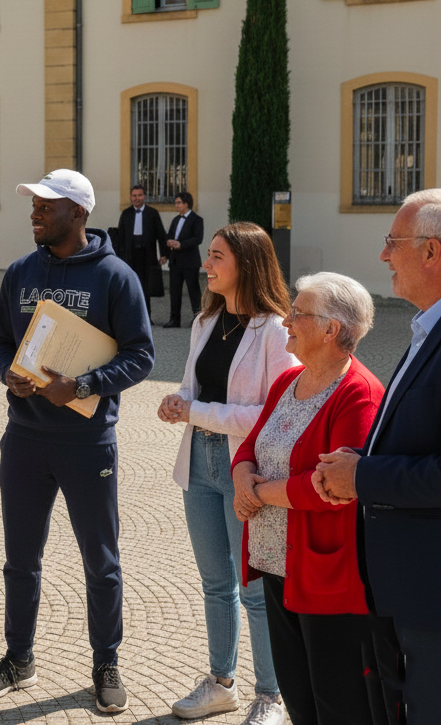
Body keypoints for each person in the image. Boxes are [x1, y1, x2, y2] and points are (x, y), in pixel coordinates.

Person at [0, 169, 153, 714]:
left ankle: (106, 661)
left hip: (88, 443)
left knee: (101, 560)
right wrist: (9, 374)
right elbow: (1, 340)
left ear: (77, 213)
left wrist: (83, 386)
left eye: (45, 205)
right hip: (24, 439)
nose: (34, 213)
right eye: (33, 204)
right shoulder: (22, 272)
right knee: (20, 559)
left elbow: (141, 355)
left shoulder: (116, 277)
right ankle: (18, 657)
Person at [157, 222, 297, 725]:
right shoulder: (204, 321)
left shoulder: (276, 330)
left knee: (254, 589)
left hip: (247, 469)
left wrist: (196, 412)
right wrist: (180, 402)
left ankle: (271, 695)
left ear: (246, 264)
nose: (206, 263)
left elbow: (271, 414)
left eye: (217, 256)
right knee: (215, 583)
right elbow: (198, 386)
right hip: (199, 461)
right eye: (209, 255)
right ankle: (221, 683)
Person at [231, 273, 384, 725]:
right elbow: (251, 443)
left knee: (337, 702)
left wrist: (257, 492)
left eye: (298, 313)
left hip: (324, 573)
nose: (286, 320)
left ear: (331, 329)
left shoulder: (358, 393)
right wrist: (243, 478)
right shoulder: (287, 381)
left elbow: (330, 486)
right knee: (297, 697)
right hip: (278, 562)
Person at [315, 189, 441, 725]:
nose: (384, 255)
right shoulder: (424, 327)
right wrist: (361, 457)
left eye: (393, 242)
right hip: (407, 587)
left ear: (432, 252)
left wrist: (363, 475)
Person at [115, 184, 167, 321]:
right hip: (130, 256)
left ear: (144, 196)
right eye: (134, 196)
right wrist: (119, 257)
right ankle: (130, 318)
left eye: (139, 195)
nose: (136, 198)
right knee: (130, 287)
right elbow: (121, 237)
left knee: (146, 288)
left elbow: (161, 234)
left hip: (147, 255)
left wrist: (164, 254)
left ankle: (146, 317)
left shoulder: (152, 213)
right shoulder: (126, 214)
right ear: (131, 197)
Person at [164, 191, 204, 328]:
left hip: (190, 262)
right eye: (176, 203)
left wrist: (181, 244)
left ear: (186, 204)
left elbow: (198, 238)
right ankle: (174, 319)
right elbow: (170, 234)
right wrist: (169, 243)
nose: (176, 205)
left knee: (193, 291)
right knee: (174, 292)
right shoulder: (176, 220)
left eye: (179, 203)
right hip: (175, 261)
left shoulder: (197, 219)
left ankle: (198, 319)